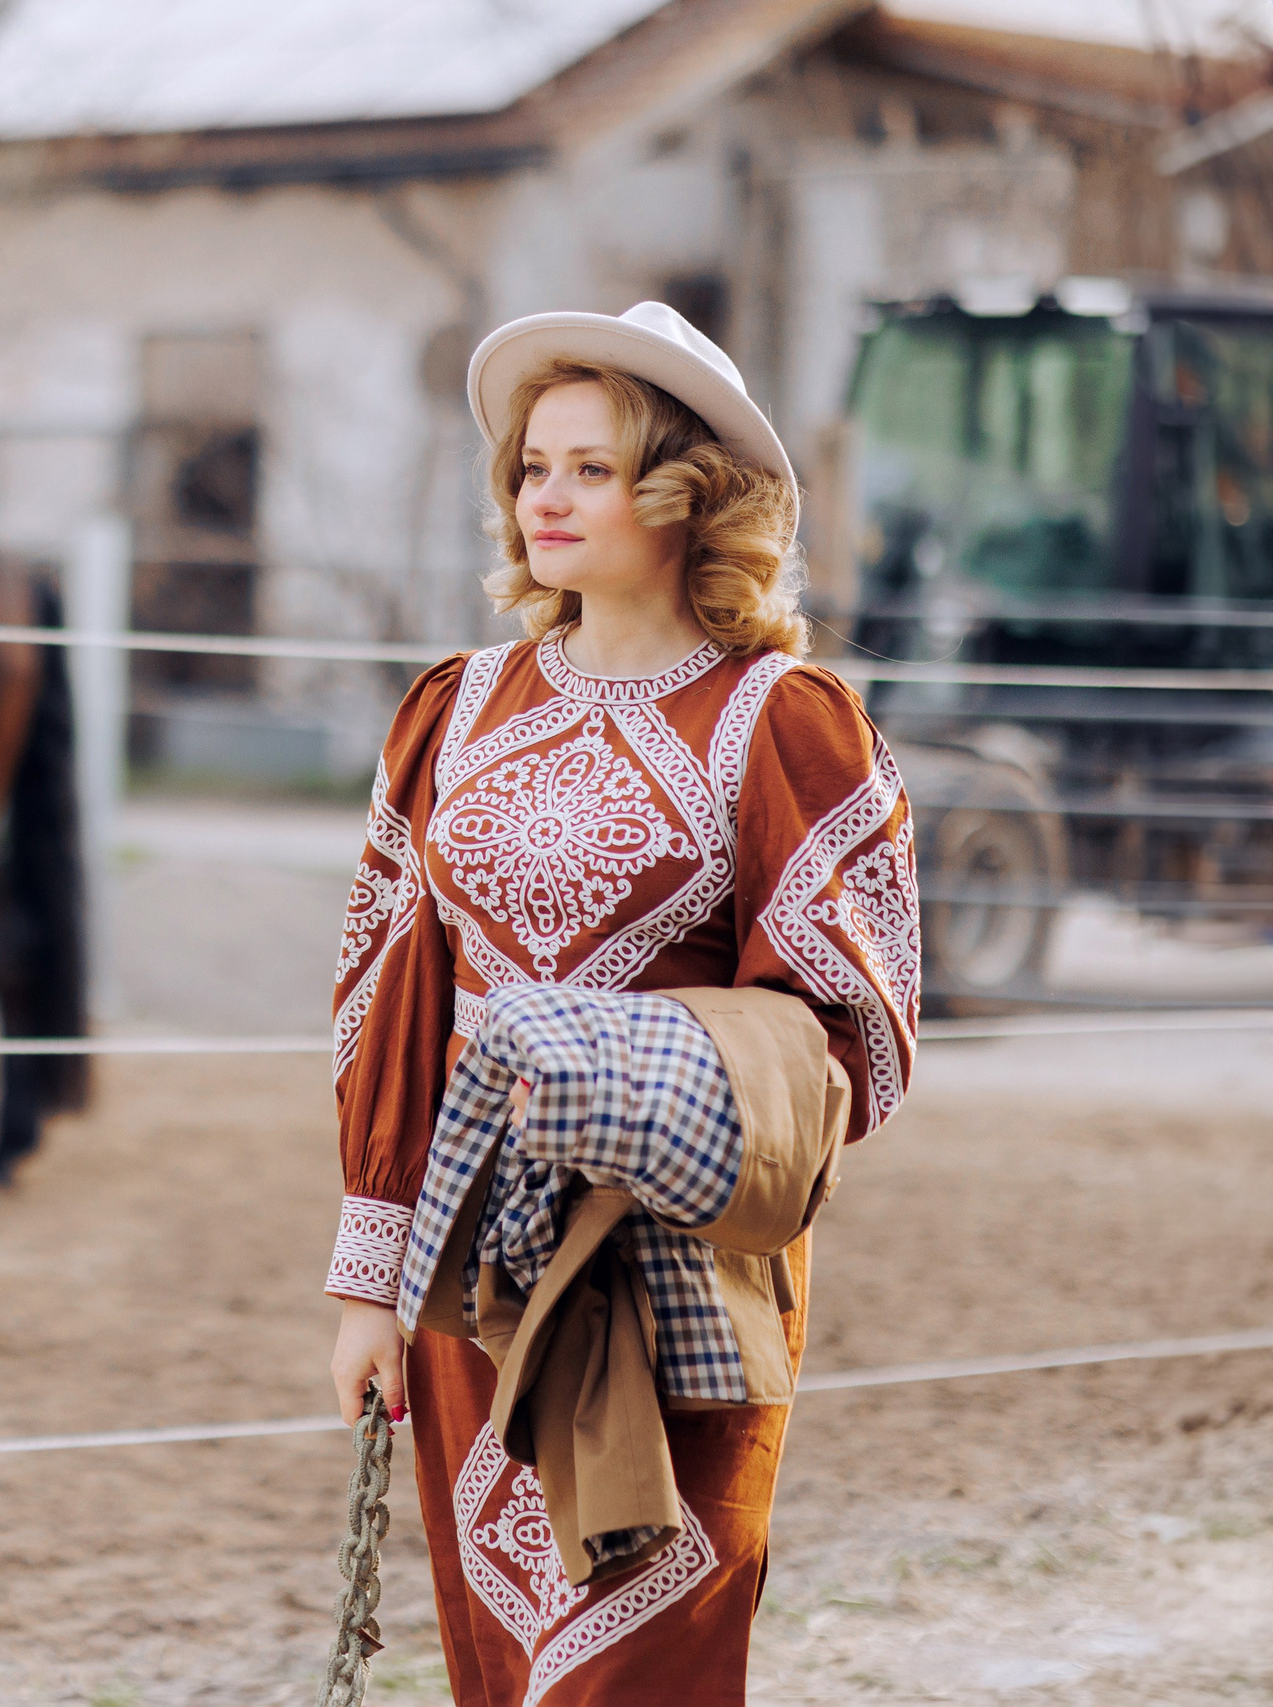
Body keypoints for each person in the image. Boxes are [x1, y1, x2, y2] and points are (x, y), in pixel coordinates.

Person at [323, 302, 921, 1703]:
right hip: (473, 1263)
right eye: (534, 467)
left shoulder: (784, 719)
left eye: (592, 469)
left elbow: (853, 1034)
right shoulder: (452, 711)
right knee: (501, 1648)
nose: (547, 496)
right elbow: (383, 1001)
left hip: (682, 1274)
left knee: (647, 1651)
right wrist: (366, 1276)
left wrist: (622, 1078)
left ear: (683, 492)